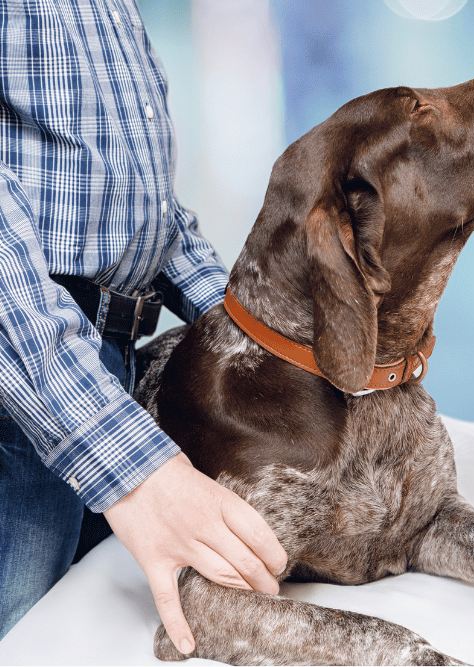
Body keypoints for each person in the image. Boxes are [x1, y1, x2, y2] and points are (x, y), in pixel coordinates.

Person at [0, 0, 287, 653]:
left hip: (109, 372)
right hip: (22, 408)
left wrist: (255, 337)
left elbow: (142, 207)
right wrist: (136, 472)